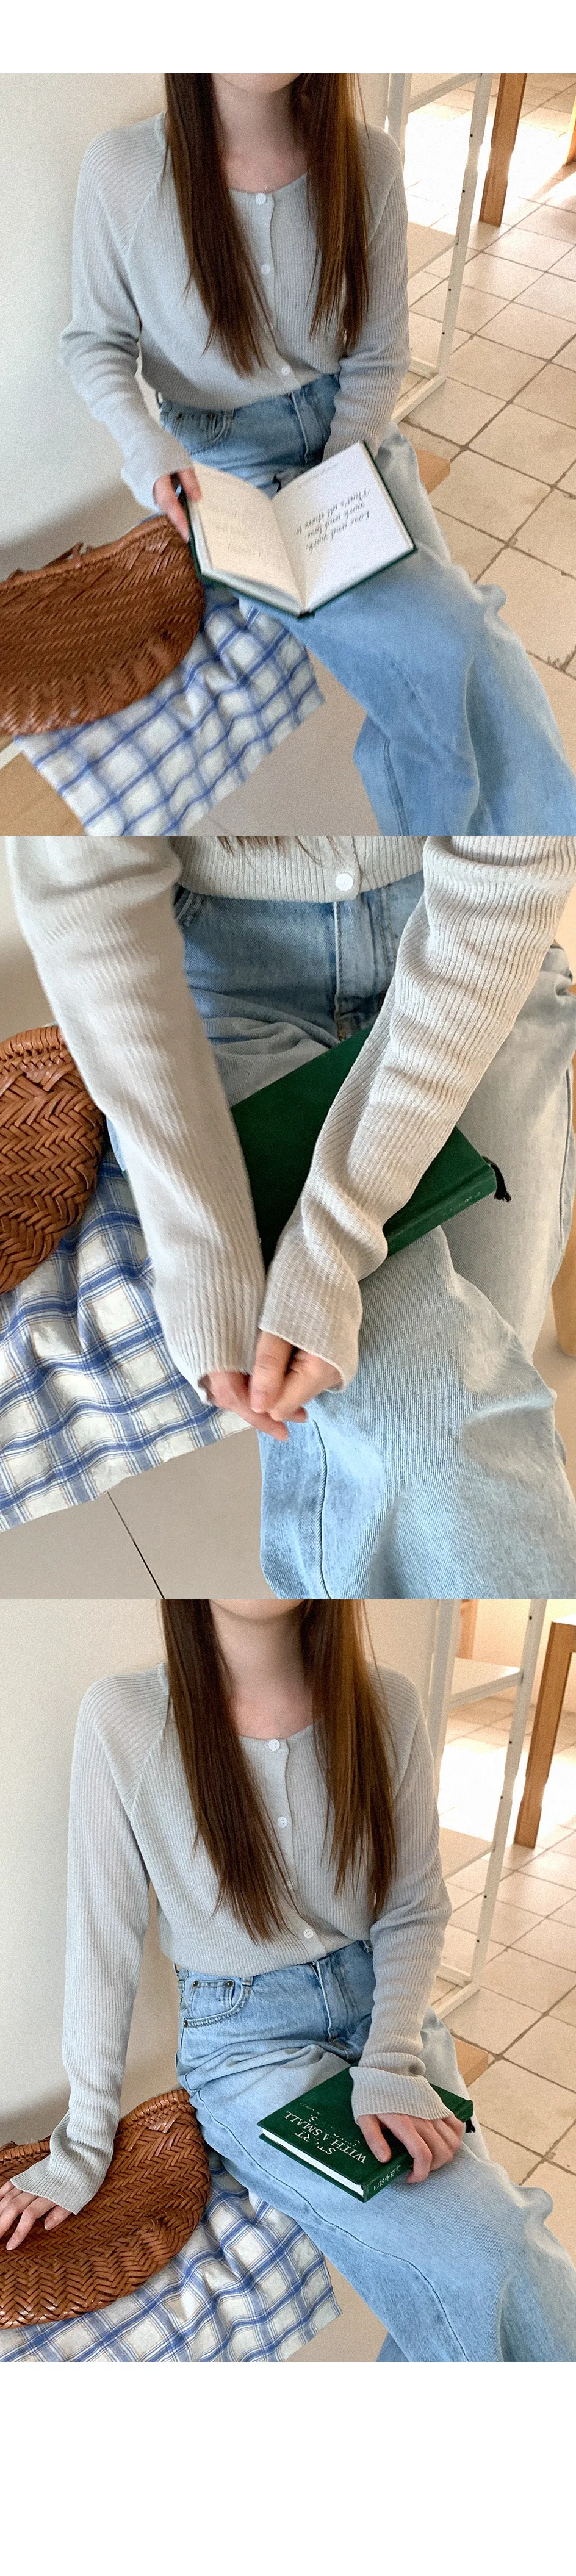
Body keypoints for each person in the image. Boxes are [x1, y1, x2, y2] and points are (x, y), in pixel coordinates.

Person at [2, 1598, 576, 2363]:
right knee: (492, 2252)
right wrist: (81, 2143)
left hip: (388, 2015)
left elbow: (412, 1906)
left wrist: (391, 2059)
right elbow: (102, 1941)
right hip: (248, 2047)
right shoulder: (124, 1718)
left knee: (486, 2251)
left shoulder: (388, 1703)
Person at [8, 828, 576, 1596]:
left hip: (477, 943)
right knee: (426, 1427)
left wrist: (331, 1242)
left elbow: (516, 858)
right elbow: (83, 895)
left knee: (490, 1422)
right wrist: (205, 1247)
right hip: (226, 976)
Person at [59, 73, 576, 832]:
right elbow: (94, 342)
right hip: (227, 467)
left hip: (353, 439)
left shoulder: (369, 164)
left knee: (466, 639)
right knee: (450, 640)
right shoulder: (124, 170)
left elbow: (378, 355)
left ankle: (497, 882)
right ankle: (498, 883)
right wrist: (146, 447)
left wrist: (341, 479)